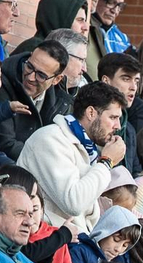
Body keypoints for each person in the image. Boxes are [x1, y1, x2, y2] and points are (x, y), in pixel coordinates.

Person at [18, 82, 132, 236]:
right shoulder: (50, 139)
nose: (118, 126)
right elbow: (73, 203)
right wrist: (106, 162)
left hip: (75, 241)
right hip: (49, 242)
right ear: (91, 113)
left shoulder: (88, 149)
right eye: (113, 117)